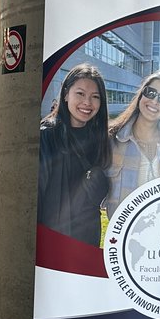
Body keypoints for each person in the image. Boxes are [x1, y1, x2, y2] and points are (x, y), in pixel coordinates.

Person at [37, 64, 111, 245]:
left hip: (87, 238)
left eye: (95, 97)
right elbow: (36, 196)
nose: (87, 102)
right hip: (54, 240)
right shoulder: (47, 136)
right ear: (65, 95)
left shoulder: (99, 139)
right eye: (80, 94)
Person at [103, 73, 160, 217]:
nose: (155, 101)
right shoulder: (111, 140)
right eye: (151, 92)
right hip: (122, 235)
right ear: (141, 95)